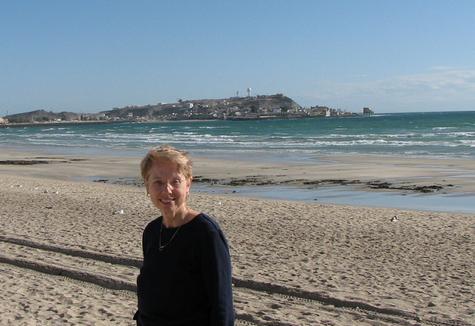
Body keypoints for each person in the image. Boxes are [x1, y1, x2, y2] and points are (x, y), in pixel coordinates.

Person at [134, 145, 234, 326]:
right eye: (158, 182)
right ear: (147, 185)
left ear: (188, 184)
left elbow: (222, 306)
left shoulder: (206, 233)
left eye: (175, 182)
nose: (167, 190)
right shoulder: (152, 231)